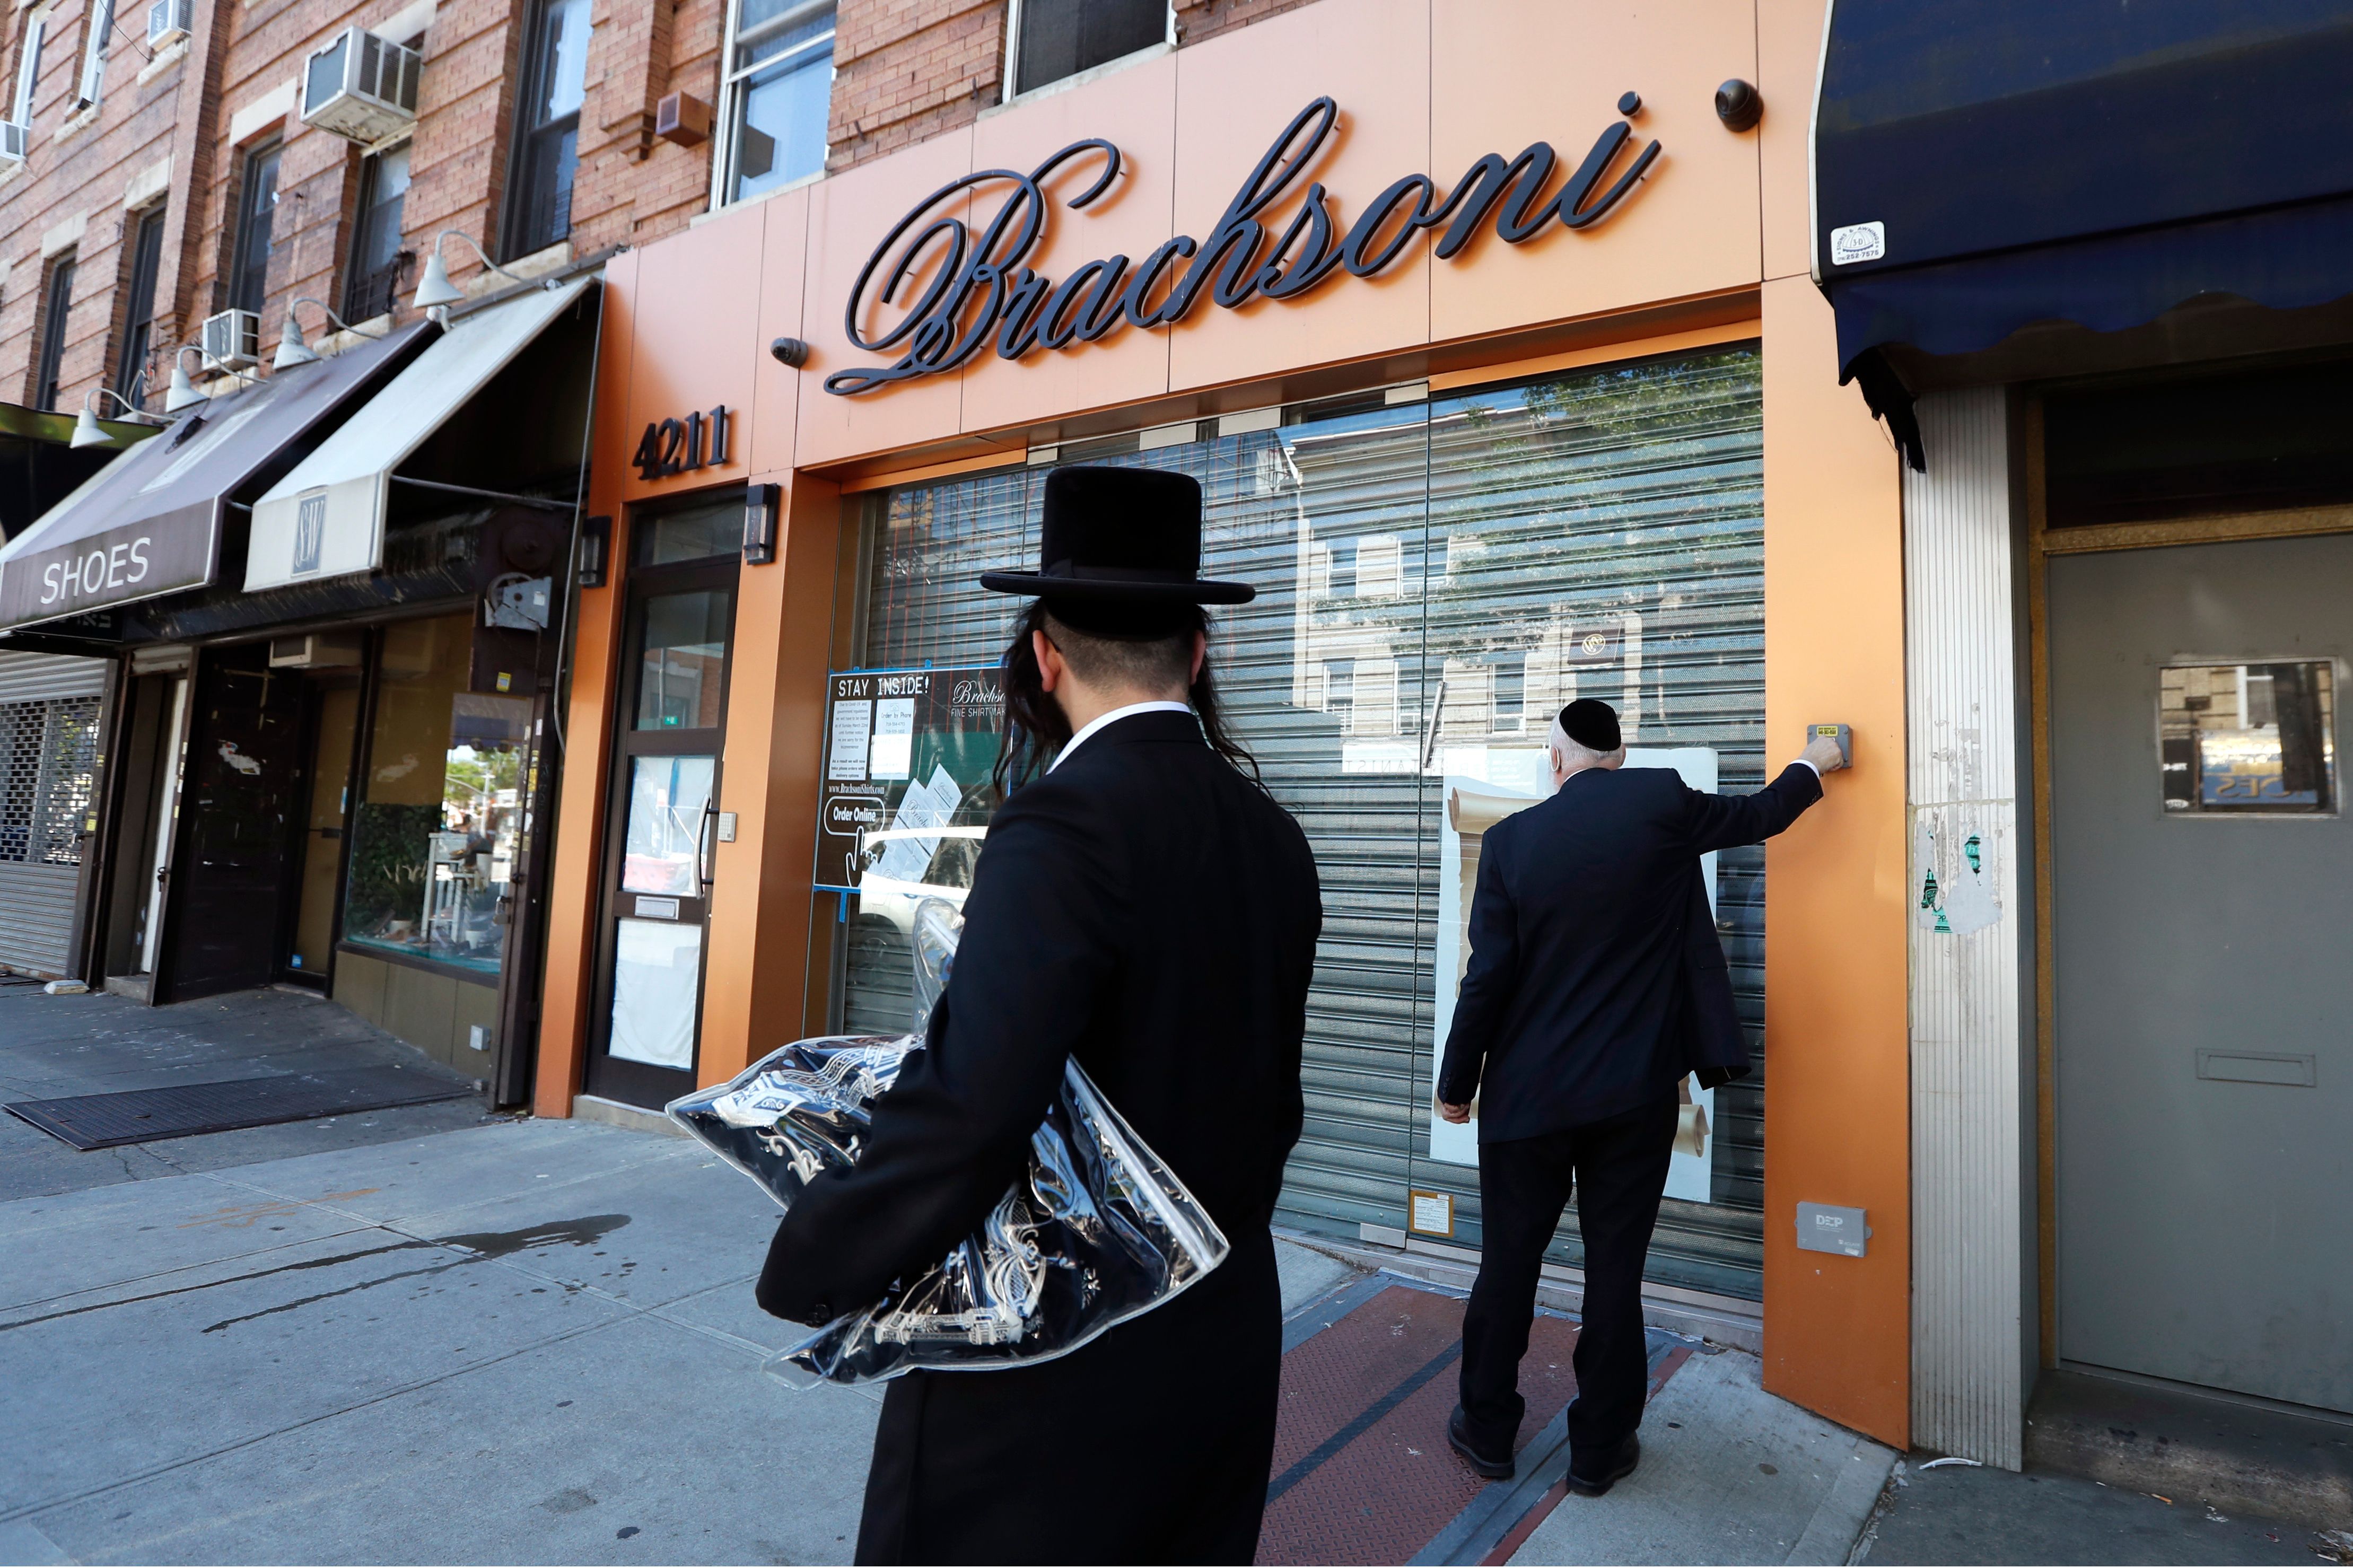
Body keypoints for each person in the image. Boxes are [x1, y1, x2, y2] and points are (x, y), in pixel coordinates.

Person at [756, 465, 1323, 1566]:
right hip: (1223, 1329)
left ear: (1042, 657)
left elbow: (973, 1105)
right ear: (1198, 655)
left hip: (1061, 1351)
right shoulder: (1274, 836)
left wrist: (817, 1256)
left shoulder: (1061, 824)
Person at [1435, 698, 1848, 1494]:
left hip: (1528, 1102)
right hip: (1633, 1096)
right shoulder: (1660, 802)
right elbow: (1762, 813)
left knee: (1506, 1266)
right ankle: (1598, 1447)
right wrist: (1813, 763)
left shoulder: (1512, 840)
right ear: (1618, 757)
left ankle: (1487, 1431)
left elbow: (1485, 977)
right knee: (1614, 1272)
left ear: (1555, 761)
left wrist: (1458, 1084)